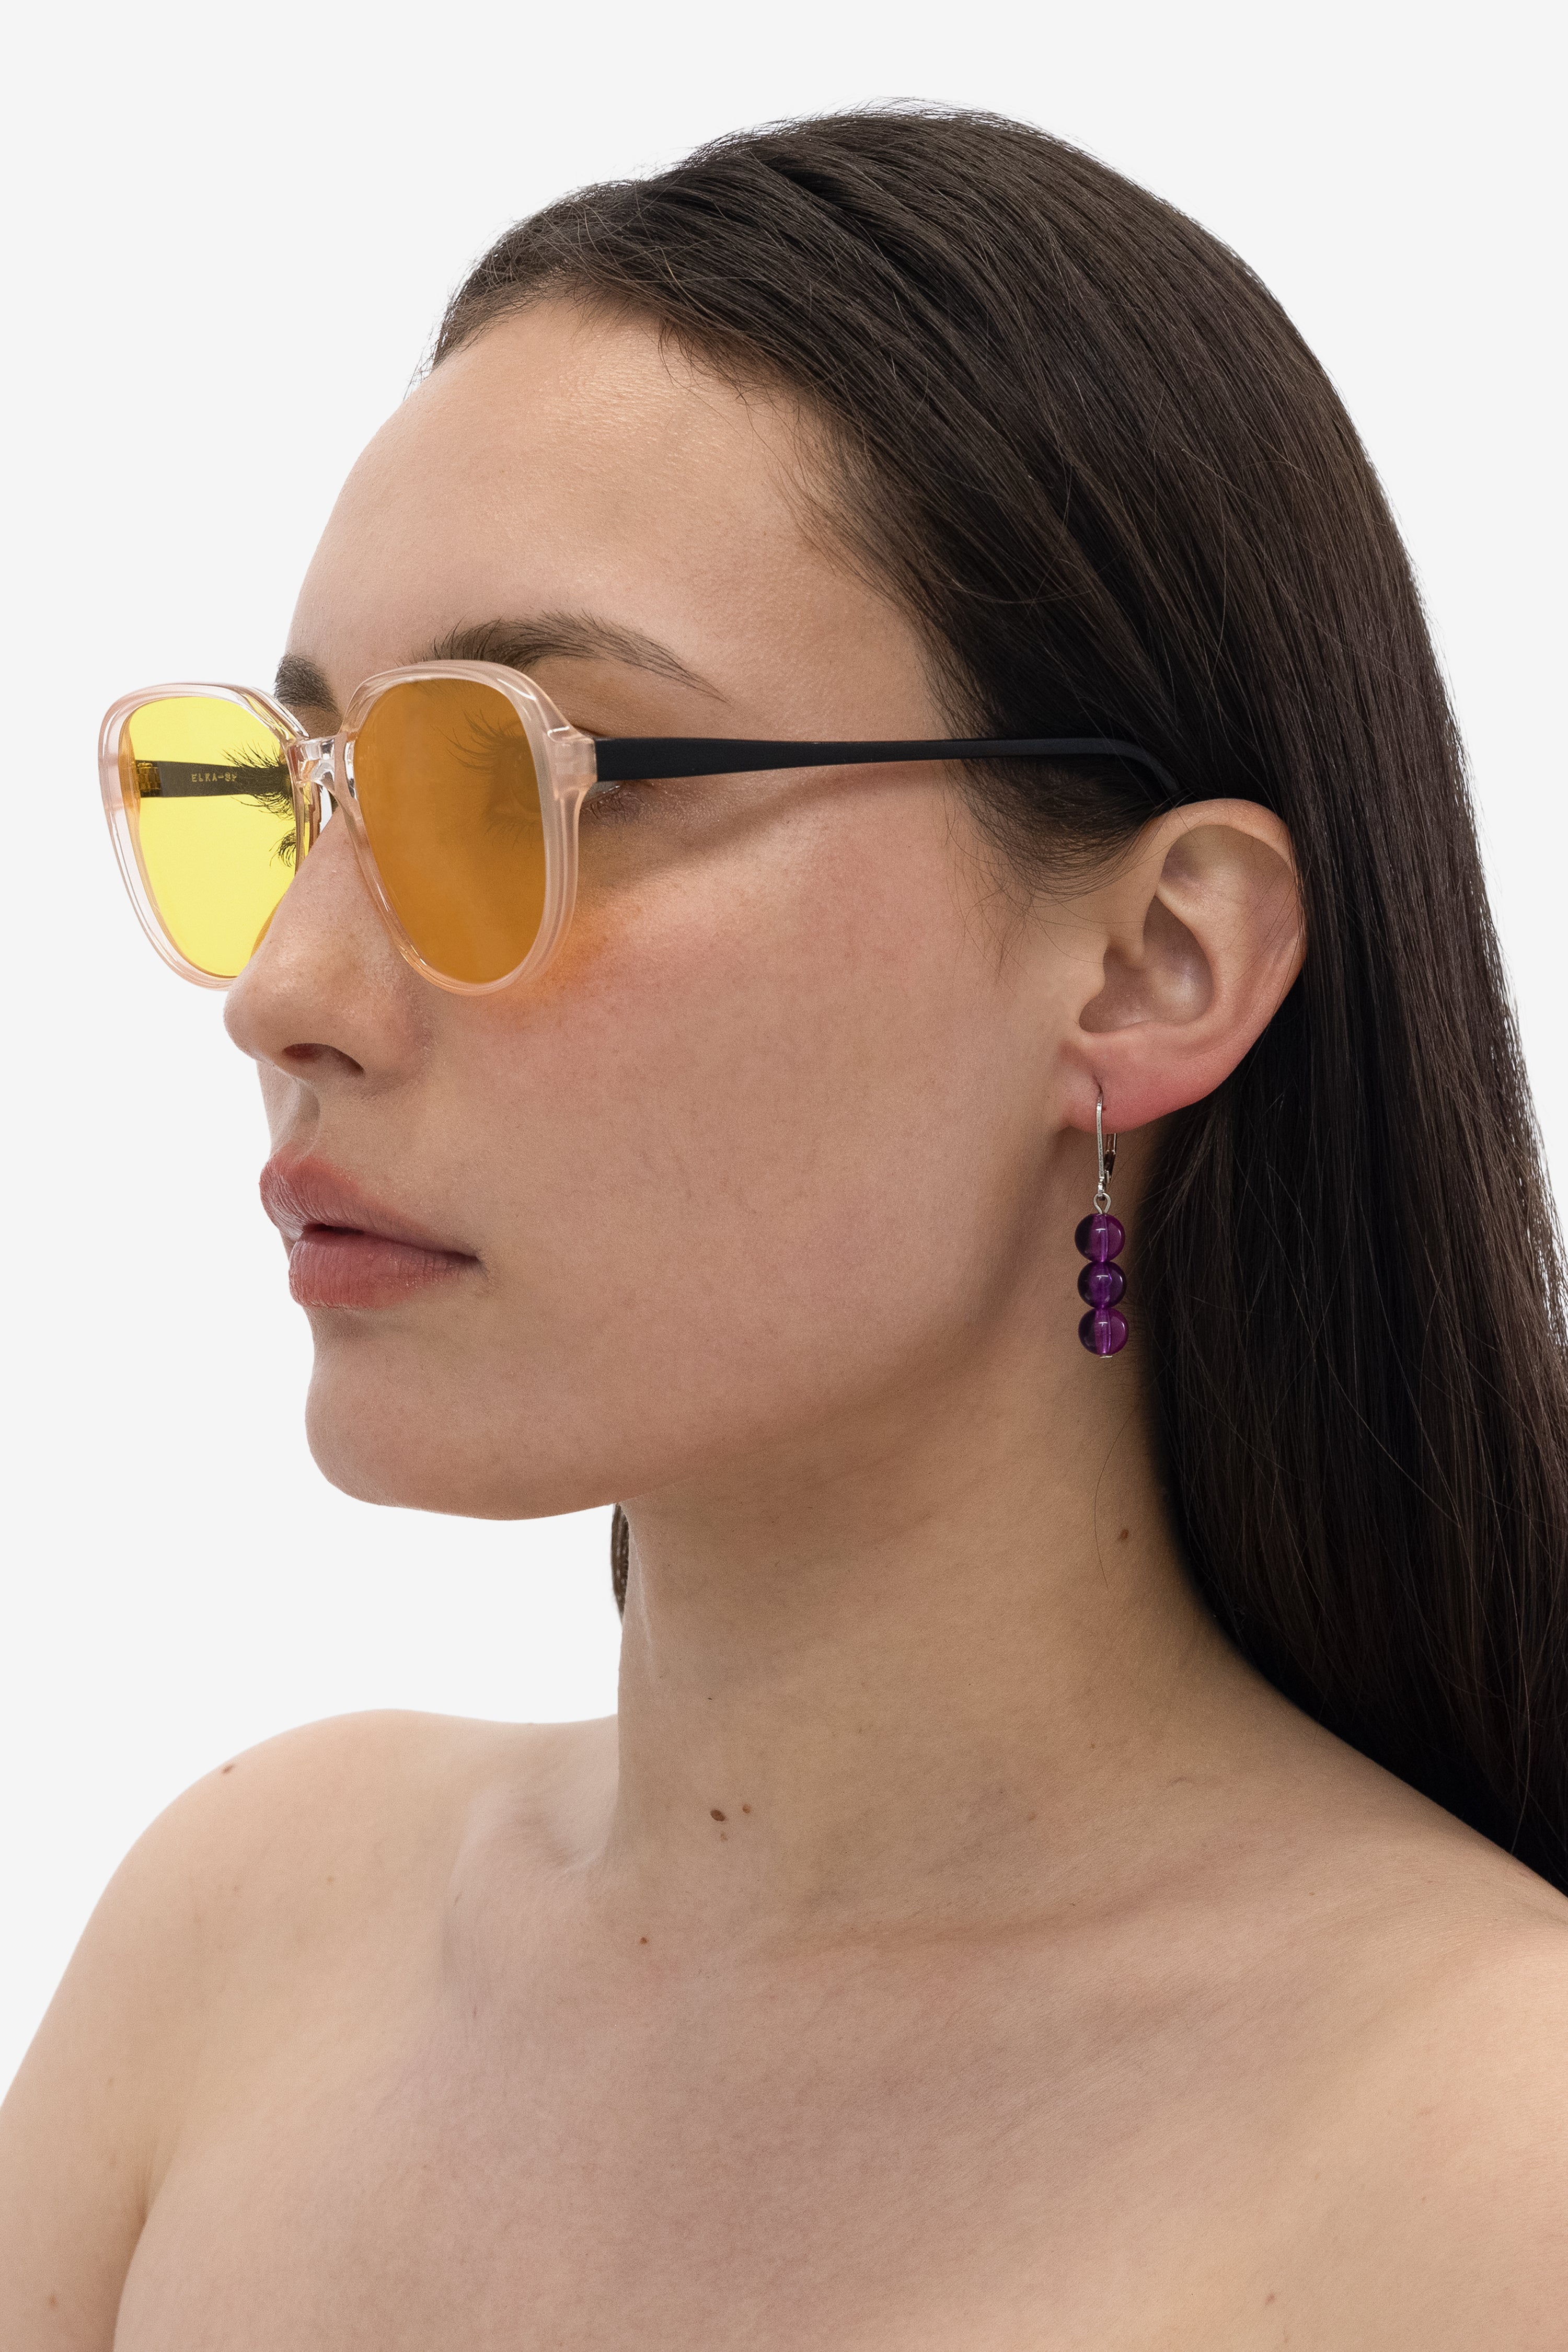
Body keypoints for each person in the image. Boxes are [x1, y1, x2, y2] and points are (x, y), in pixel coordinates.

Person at [5, 107, 1568, 2346]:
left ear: (1157, 964)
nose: (288, 993)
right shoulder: (237, 1945)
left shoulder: (1490, 2162)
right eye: (303, 790)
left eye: (520, 783)